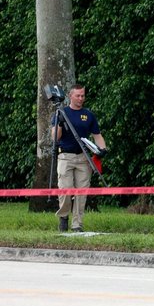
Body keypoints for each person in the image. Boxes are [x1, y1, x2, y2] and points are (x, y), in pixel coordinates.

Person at [51, 84, 107, 232]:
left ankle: (77, 224)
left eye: (83, 95)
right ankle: (63, 217)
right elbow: (55, 137)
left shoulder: (88, 115)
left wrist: (102, 149)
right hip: (65, 157)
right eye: (78, 95)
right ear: (70, 96)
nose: (81, 98)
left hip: (83, 157)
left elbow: (97, 136)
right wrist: (61, 123)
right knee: (66, 189)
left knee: (82, 192)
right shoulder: (61, 113)